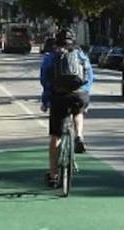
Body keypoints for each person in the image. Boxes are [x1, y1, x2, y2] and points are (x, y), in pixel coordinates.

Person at [40, 28, 94, 186]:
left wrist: (46, 101)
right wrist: (84, 95)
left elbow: (45, 81)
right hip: (79, 94)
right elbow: (90, 77)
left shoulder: (51, 57)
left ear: (57, 41)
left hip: (59, 96)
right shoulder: (81, 55)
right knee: (78, 112)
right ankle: (79, 135)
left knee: (55, 136)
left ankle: (53, 175)